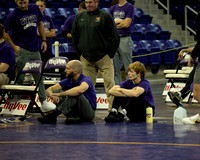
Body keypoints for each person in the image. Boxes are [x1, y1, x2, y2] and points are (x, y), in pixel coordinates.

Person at [3, 0, 55, 112]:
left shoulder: (35, 8)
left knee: (39, 77)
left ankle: (44, 102)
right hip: (22, 50)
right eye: (20, 3)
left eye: (25, 2)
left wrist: (44, 40)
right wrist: (13, 46)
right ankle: (15, 104)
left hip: (35, 48)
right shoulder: (13, 14)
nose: (23, 5)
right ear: (16, 1)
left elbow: (40, 23)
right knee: (19, 77)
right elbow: (4, 32)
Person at [72, 0, 120, 110]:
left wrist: (110, 54)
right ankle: (88, 110)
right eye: (87, 2)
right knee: (87, 86)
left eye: (91, 2)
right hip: (86, 58)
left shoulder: (105, 16)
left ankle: (113, 109)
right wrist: (79, 53)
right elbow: (74, 35)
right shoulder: (79, 17)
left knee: (110, 84)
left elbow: (115, 36)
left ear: (97, 2)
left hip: (104, 57)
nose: (88, 4)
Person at [37, 60, 96, 124]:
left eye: (68, 69)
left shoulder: (86, 80)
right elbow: (49, 89)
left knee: (76, 94)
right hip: (74, 112)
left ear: (75, 71)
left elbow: (79, 90)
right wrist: (52, 95)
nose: (65, 70)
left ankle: (53, 115)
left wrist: (60, 94)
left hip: (88, 113)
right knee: (55, 90)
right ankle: (73, 116)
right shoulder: (68, 80)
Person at [110, 0, 134, 84]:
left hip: (125, 38)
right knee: (115, 68)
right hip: (114, 39)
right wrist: (120, 22)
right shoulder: (113, 8)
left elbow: (126, 24)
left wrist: (115, 24)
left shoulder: (129, 7)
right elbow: (109, 24)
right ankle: (117, 87)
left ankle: (130, 86)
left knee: (128, 66)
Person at [36, 0, 56, 64]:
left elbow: (53, 33)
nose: (39, 7)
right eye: (37, 6)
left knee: (48, 69)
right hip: (37, 46)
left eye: (41, 6)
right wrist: (47, 32)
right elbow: (37, 33)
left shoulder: (48, 18)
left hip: (48, 47)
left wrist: (42, 33)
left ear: (44, 7)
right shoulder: (33, 18)